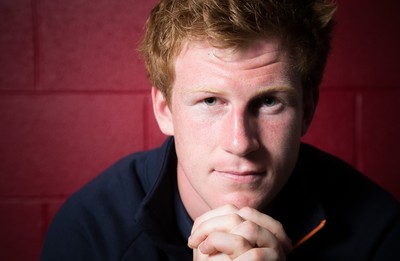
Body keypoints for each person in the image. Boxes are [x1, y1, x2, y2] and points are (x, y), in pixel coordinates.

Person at [41, 0, 400, 260]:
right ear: (164, 109)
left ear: (307, 109)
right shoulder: (91, 231)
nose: (240, 143)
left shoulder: (379, 231)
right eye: (211, 101)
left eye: (269, 102)